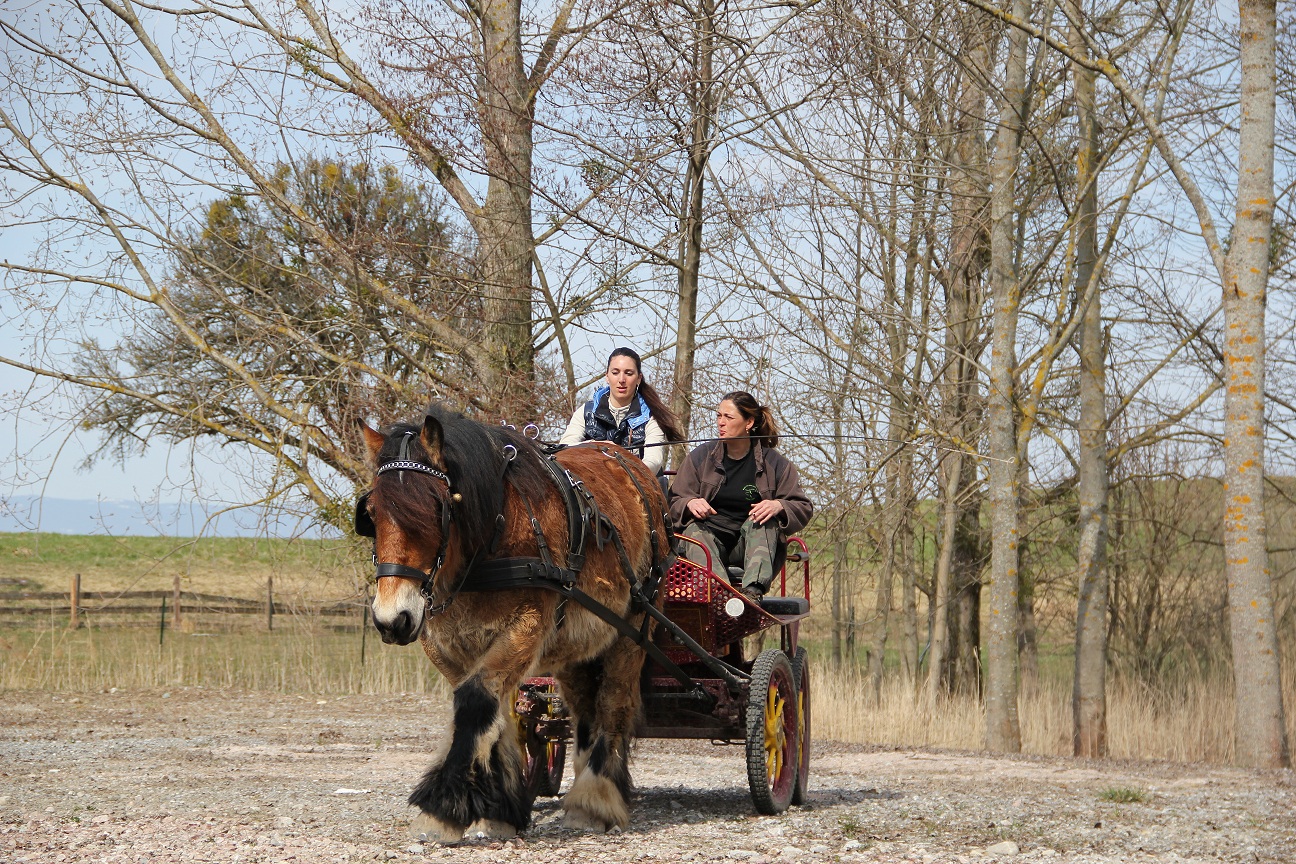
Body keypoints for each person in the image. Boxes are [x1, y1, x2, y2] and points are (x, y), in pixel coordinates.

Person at [668, 391, 813, 603]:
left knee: (765, 523)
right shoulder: (700, 458)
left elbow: (803, 506)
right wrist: (689, 503)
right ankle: (718, 593)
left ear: (749, 423)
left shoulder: (775, 464)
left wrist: (778, 506)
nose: (721, 423)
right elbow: (673, 502)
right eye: (719, 416)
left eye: (728, 417)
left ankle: (752, 593)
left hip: (750, 544)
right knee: (693, 531)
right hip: (709, 540)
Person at [559, 347, 683, 474]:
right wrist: (597, 446)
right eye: (615, 372)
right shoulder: (586, 412)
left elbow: (653, 462)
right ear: (607, 376)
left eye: (628, 373)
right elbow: (564, 450)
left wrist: (622, 474)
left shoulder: (651, 417)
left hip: (637, 487)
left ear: (639, 378)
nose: (621, 380)